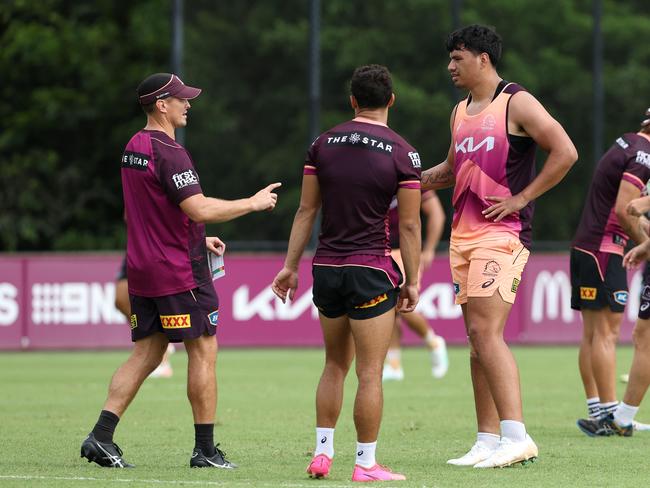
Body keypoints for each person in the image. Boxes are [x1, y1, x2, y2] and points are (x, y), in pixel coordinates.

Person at [80, 73, 281, 469]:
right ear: (161, 105)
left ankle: (100, 437)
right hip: (178, 273)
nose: (188, 104)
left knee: (147, 353)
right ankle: (205, 450)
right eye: (181, 99)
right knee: (204, 350)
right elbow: (199, 208)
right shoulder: (171, 152)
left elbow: (155, 208)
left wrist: (196, 237)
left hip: (143, 268)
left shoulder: (133, 146)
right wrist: (252, 203)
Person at [420, 24, 578, 468]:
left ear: (483, 60)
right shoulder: (459, 111)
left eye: (458, 58)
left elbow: (565, 151)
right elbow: (451, 170)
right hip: (463, 237)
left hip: (503, 235)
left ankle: (517, 436)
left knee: (487, 334)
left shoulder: (516, 101)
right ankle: (487, 439)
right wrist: (402, 177)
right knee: (476, 341)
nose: (450, 66)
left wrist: (522, 198)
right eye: (450, 59)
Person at [272, 64, 420, 482]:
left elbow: (306, 209)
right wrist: (414, 280)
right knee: (370, 372)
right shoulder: (402, 151)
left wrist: (289, 267)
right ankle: (366, 464)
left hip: (326, 268)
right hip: (371, 269)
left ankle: (322, 453)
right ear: (391, 100)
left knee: (334, 364)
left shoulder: (322, 144)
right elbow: (409, 225)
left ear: (352, 100)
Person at [571, 112, 650, 436]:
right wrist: (646, 242)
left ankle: (599, 408)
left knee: (593, 333)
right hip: (605, 248)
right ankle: (609, 415)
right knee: (606, 333)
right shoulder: (644, 156)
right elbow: (624, 208)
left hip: (587, 246)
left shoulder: (627, 142)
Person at [382, 191, 449, 381]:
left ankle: (434, 342)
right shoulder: (372, 172)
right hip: (378, 252)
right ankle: (394, 364)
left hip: (405, 251)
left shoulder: (409, 174)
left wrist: (429, 249)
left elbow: (436, 213)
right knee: (386, 308)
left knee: (402, 304)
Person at [115, 256, 176, 378]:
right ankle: (157, 345)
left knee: (158, 301)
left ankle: (163, 360)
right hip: (137, 247)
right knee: (120, 300)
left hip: (160, 248)